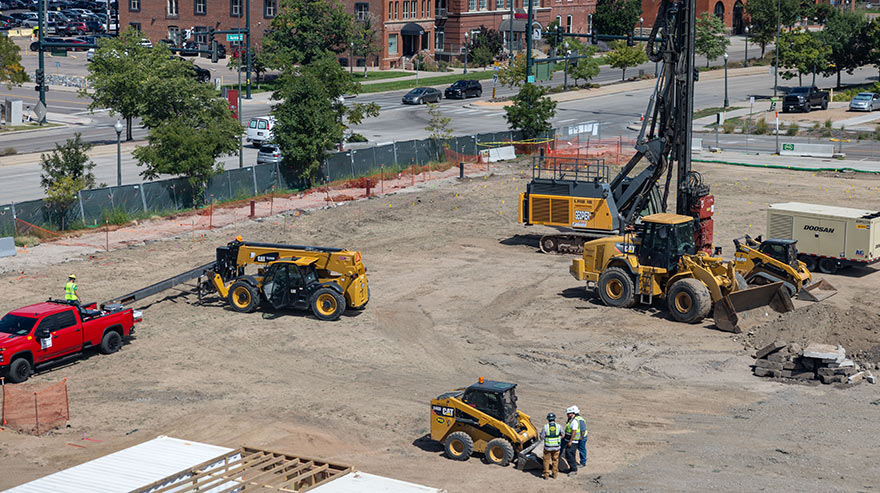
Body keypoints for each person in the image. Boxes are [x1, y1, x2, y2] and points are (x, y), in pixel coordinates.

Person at [563, 405, 585, 476]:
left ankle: (574, 470)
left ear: (573, 413)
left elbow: (574, 432)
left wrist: (570, 441)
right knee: (569, 455)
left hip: (573, 442)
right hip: (569, 441)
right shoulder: (571, 420)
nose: (567, 415)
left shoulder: (574, 421)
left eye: (568, 414)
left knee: (570, 455)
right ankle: (571, 468)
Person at [539, 412, 562, 479]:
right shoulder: (559, 426)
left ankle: (546, 475)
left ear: (548, 419)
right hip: (556, 447)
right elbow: (563, 434)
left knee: (546, 461)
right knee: (555, 460)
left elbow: (542, 437)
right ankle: (554, 474)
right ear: (554, 419)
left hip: (548, 447)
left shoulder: (545, 427)